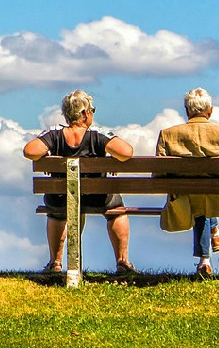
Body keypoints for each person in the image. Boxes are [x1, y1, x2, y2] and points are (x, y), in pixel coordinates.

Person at [23, 89, 136, 274]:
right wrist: (109, 158)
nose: (92, 114)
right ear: (84, 113)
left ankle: (55, 263)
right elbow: (126, 152)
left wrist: (48, 157)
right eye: (92, 110)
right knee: (117, 211)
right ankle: (122, 261)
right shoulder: (97, 134)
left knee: (56, 212)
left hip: (61, 198)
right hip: (97, 198)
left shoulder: (54, 134)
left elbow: (29, 151)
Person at [155, 87, 219, 278]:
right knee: (205, 197)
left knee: (196, 197)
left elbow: (158, 174)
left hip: (183, 200)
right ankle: (214, 237)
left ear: (187, 111)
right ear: (210, 111)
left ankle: (205, 258)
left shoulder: (167, 135)